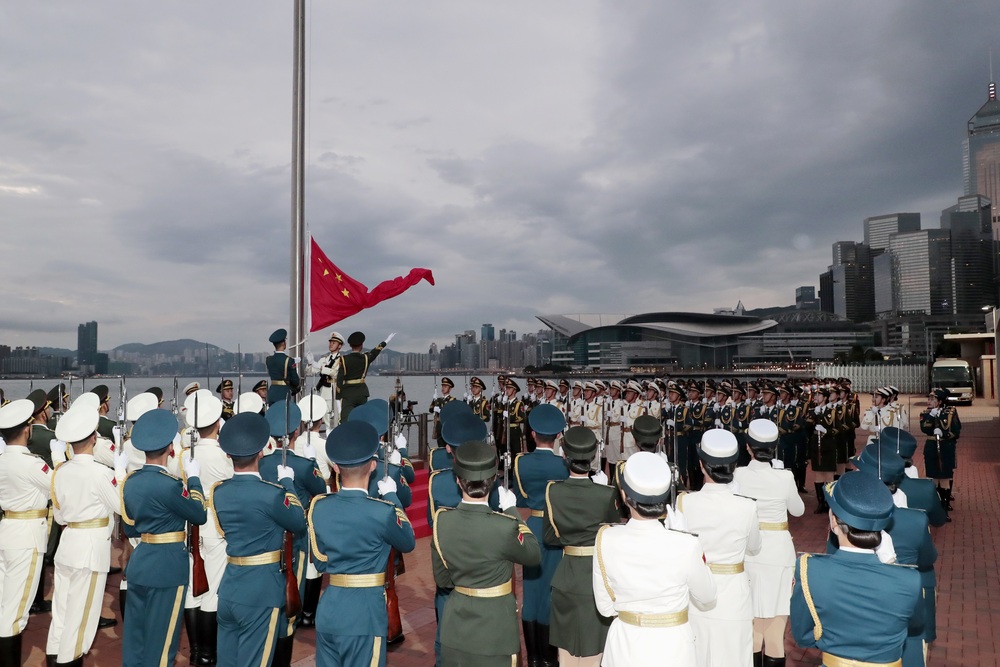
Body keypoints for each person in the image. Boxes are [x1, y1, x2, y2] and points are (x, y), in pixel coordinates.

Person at [307, 420, 415, 667]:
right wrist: (391, 496)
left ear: (335, 467)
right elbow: (407, 541)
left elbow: (320, 560)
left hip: (330, 609)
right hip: (364, 613)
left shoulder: (319, 507)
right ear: (374, 466)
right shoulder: (382, 511)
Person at [593, 451, 716, 667]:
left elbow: (605, 608)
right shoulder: (686, 545)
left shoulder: (606, 538)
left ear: (624, 496)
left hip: (625, 645)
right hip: (674, 648)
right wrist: (687, 538)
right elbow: (707, 596)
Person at [790, 472, 923, 666]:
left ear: (834, 521)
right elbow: (916, 624)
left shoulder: (810, 569)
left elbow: (803, 635)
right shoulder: (909, 579)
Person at [211, 412, 308, 667]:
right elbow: (298, 521)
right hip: (261, 591)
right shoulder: (272, 494)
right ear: (261, 453)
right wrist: (288, 483)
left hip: (230, 587)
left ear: (229, 455)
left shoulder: (219, 492)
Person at [432, 440, 541, 666]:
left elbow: (443, 579)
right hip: (496, 631)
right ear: (493, 481)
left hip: (455, 628)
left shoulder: (441, 521)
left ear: (457, 480)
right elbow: (533, 554)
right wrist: (512, 511)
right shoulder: (504, 525)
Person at [120, 409, 208, 667]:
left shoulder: (131, 482)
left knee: (136, 641)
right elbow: (199, 514)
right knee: (162, 644)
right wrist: (193, 478)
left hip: (141, 562)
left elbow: (130, 528)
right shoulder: (170, 485)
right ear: (170, 447)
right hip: (166, 567)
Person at [672, 429, 761, 667]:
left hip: (694, 595)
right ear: (733, 466)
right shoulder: (747, 507)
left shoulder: (684, 502)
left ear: (701, 466)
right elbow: (754, 547)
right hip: (734, 596)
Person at [843, 442, 937, 667]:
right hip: (903, 610)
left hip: (861, 612)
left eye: (859, 470)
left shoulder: (849, 522)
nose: (854, 472)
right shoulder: (915, 520)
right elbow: (927, 560)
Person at [47, 404, 126, 666]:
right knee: (81, 623)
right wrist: (121, 474)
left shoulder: (60, 472)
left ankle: (54, 658)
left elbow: (59, 518)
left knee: (61, 615)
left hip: (68, 546)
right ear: (94, 437)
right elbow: (124, 509)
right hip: (90, 551)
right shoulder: (101, 473)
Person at [542, 426, 620, 666]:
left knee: (566, 653)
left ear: (564, 456)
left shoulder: (553, 491)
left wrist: (571, 539)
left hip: (566, 574)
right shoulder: (606, 493)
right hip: (597, 576)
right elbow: (612, 534)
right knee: (596, 649)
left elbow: (549, 537)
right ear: (594, 457)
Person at [259, 400, 327, 666]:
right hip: (295, 540)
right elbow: (320, 490)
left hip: (268, 538)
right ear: (296, 432)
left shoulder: (261, 464)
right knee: (288, 608)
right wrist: (310, 461)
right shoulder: (301, 464)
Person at [732, 420, 805, 667]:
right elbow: (798, 510)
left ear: (748, 447)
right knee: (775, 633)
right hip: (778, 553)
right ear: (775, 448)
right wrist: (783, 477)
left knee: (751, 629)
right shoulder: (784, 476)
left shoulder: (738, 474)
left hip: (747, 553)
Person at [514, 404, 570, 666]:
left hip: (534, 526)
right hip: (556, 529)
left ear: (533, 434)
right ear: (558, 435)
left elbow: (521, 495)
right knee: (550, 590)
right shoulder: (563, 465)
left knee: (531, 590)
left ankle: (533, 657)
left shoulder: (520, 462)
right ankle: (549, 657)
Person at [179, 389, 232, 667]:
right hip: (215, 522)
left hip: (190, 522)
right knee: (211, 591)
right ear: (217, 423)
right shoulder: (224, 456)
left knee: (192, 587)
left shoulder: (185, 453)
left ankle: (196, 651)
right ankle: (208, 654)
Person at [0, 399, 53, 666]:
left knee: (3, 602)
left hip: (6, 531)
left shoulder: (1, 461)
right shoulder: (32, 464)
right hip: (27, 536)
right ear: (27, 429)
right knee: (16, 611)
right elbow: (59, 488)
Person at [919, 388, 960, 519]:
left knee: (945, 479)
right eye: (929, 399)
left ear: (940, 401)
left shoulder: (950, 412)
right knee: (933, 479)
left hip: (946, 447)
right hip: (931, 447)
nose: (929, 401)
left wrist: (945, 434)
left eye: (933, 399)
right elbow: (924, 428)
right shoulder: (926, 413)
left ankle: (944, 509)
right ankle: (935, 508)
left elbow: (956, 430)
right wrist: (931, 415)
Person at [336, 331, 394, 422]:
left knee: (345, 420)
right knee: (362, 418)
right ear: (362, 345)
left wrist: (338, 398)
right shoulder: (366, 358)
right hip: (361, 393)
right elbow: (376, 351)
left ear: (350, 345)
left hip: (348, 394)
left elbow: (339, 380)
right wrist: (386, 341)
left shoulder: (344, 359)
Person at [312, 331, 344, 430]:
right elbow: (312, 371)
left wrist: (322, 368)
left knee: (336, 419)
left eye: (334, 343)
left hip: (335, 391)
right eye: (330, 342)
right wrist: (310, 363)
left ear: (340, 346)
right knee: (326, 418)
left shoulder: (342, 360)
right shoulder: (324, 359)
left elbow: (335, 373)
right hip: (325, 391)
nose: (331, 344)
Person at [266, 329, 301, 406]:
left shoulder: (268, 359)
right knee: (284, 417)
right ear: (284, 343)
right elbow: (295, 381)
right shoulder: (289, 360)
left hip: (271, 393)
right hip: (283, 393)